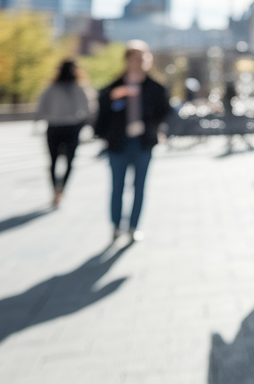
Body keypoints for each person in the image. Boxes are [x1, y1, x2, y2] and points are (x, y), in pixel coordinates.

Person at [94, 40, 171, 244]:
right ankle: (116, 225)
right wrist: (112, 99)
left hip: (143, 143)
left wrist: (151, 124)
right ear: (127, 59)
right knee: (117, 186)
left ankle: (134, 226)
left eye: (142, 57)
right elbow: (101, 115)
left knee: (139, 187)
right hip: (119, 143)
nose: (138, 61)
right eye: (134, 57)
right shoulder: (113, 86)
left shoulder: (155, 87)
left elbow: (164, 112)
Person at [35, 59, 95, 208]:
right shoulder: (79, 88)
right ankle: (61, 190)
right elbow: (88, 109)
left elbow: (41, 107)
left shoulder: (52, 88)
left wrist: (45, 118)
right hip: (71, 127)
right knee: (68, 161)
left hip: (55, 126)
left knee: (54, 162)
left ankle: (56, 190)